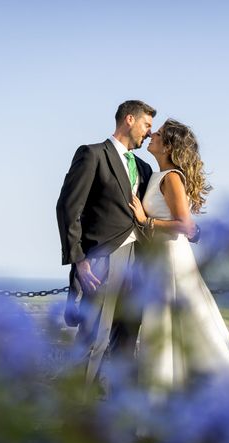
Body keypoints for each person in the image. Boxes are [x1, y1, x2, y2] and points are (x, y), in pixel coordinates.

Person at [128, 119, 229, 400]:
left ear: (168, 146)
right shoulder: (158, 174)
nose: (152, 134)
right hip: (160, 259)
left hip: (171, 259)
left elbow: (186, 226)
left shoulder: (172, 177)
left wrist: (145, 220)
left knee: (178, 324)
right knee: (166, 327)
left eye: (159, 133)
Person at [56, 100, 156, 386]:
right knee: (93, 340)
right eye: (146, 125)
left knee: (126, 341)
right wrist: (79, 259)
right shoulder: (92, 155)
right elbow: (67, 208)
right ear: (129, 120)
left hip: (139, 264)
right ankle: (76, 414)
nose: (149, 133)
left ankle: (118, 417)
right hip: (102, 259)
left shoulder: (145, 168)